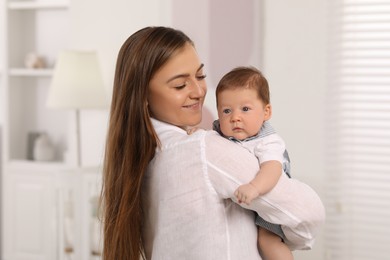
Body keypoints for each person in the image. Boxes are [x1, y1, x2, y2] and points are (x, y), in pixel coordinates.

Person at [101, 26, 325, 260]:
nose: (198, 91)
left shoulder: (139, 159)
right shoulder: (206, 151)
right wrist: (275, 237)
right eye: (180, 85)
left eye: (200, 76)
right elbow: (308, 214)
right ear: (143, 96)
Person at [212, 66, 295, 259]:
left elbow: (272, 168)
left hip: (270, 197)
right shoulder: (221, 134)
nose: (235, 117)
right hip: (246, 205)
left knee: (267, 241)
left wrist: (254, 188)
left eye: (245, 109)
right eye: (226, 111)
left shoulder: (268, 141)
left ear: (266, 112)